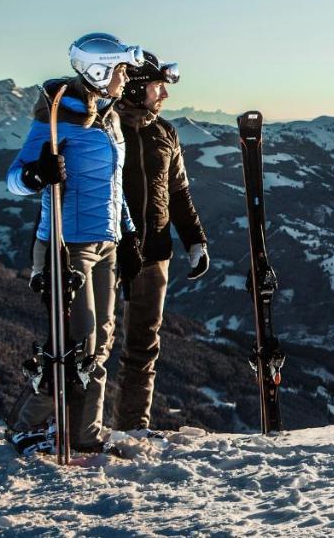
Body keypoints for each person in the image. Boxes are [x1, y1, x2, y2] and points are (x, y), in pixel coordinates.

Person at [5, 32, 145, 454]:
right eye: (121, 70)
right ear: (100, 71)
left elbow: (113, 184)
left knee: (101, 340)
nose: (126, 79)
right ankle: (27, 424)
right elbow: (14, 177)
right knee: (74, 341)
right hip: (67, 244)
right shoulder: (56, 115)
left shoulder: (110, 116)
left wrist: (129, 231)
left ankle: (87, 432)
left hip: (106, 242)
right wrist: (36, 175)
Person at [111, 51, 209, 433]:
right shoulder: (104, 127)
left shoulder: (165, 132)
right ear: (135, 88)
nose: (163, 95)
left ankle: (131, 430)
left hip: (154, 254)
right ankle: (81, 431)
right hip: (107, 253)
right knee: (92, 347)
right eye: (157, 87)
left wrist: (194, 240)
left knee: (142, 348)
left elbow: (179, 191)